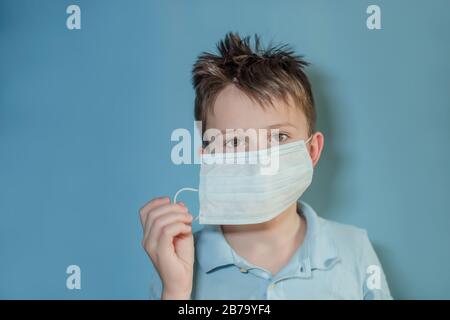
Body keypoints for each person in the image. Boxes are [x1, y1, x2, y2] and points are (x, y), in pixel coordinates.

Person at [139, 32, 392, 300]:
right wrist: (176, 291)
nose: (260, 159)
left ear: (311, 151)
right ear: (208, 159)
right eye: (235, 141)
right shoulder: (178, 262)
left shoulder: (354, 249)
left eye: (278, 137)